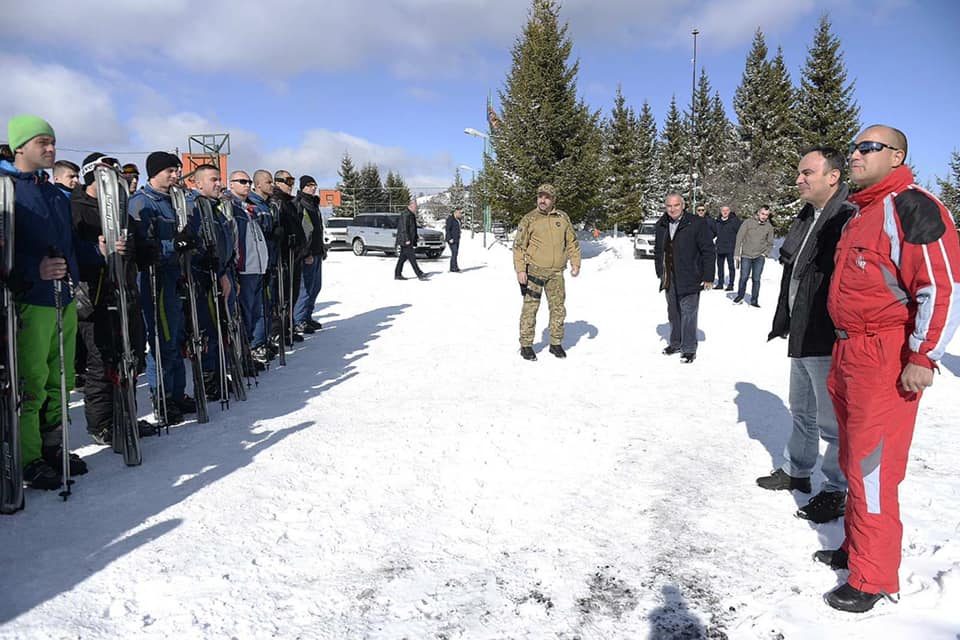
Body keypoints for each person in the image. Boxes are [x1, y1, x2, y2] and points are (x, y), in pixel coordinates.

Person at [816, 125, 960, 613]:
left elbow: (941, 286)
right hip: (849, 353)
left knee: (873, 467)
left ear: (896, 155)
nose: (855, 154)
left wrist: (924, 355)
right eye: (854, 147)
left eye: (868, 147)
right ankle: (857, 547)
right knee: (852, 458)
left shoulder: (912, 207)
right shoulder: (862, 211)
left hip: (885, 356)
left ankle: (872, 576)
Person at [757, 146, 856, 524]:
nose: (799, 179)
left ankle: (836, 489)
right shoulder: (808, 216)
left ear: (833, 176)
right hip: (801, 328)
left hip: (825, 333)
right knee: (801, 409)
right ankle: (797, 470)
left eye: (807, 173)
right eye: (799, 172)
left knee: (833, 422)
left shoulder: (846, 218)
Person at [2, 114, 86, 489]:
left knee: (60, 378)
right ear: (20, 147)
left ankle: (54, 446)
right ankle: (29, 456)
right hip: (30, 301)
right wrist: (31, 268)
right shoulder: (7, 190)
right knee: (32, 381)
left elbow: (70, 244)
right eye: (42, 142)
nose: (51, 148)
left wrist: (95, 258)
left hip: (63, 297)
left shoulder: (53, 192)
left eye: (52, 142)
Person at [71, 153, 151, 444]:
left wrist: (144, 250)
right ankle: (102, 424)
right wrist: (97, 250)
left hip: (125, 289)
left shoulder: (121, 207)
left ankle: (126, 415)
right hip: (94, 294)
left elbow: (136, 248)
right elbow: (71, 249)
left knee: (129, 355)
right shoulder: (76, 207)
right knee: (101, 361)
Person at [128, 151, 195, 425]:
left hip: (174, 276)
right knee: (162, 339)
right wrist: (173, 245)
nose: (176, 175)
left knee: (176, 337)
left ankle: (177, 393)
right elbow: (142, 245)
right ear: (155, 172)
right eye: (170, 170)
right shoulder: (142, 202)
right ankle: (162, 397)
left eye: (177, 170)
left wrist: (188, 242)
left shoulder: (174, 200)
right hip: (154, 280)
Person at [513, 184, 581, 361]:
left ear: (553, 199)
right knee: (530, 309)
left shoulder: (562, 218)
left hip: (556, 273)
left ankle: (556, 343)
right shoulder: (529, 219)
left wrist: (575, 263)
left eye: (547, 197)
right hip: (534, 272)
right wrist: (520, 270)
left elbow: (572, 242)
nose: (542, 200)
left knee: (558, 308)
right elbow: (519, 247)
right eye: (540, 196)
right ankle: (526, 345)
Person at [653, 193, 715, 363]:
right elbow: (658, 250)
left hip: (690, 275)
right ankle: (675, 343)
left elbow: (708, 250)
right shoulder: (661, 224)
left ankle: (688, 348)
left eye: (676, 205)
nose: (672, 209)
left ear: (683, 205)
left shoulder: (696, 223)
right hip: (669, 276)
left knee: (688, 312)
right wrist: (660, 271)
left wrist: (708, 276)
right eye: (669, 206)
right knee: (673, 312)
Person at [230, 171, 270, 364]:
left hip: (258, 267)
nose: (247, 185)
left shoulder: (249, 208)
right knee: (245, 315)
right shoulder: (230, 207)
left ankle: (251, 350)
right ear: (231, 184)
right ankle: (243, 355)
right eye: (242, 181)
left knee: (256, 313)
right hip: (244, 269)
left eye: (248, 182)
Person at [270, 170, 306, 344]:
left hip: (294, 256)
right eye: (287, 181)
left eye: (292, 181)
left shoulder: (289, 203)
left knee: (292, 294)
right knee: (281, 296)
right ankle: (278, 330)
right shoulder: (276, 202)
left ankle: (287, 327)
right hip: (283, 257)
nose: (291, 185)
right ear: (277, 182)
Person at [247, 170, 277, 361]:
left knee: (267, 305)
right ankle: (256, 344)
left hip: (269, 262)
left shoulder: (268, 205)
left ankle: (263, 339)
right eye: (268, 182)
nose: (271, 185)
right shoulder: (253, 205)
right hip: (256, 264)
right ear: (258, 185)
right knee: (257, 307)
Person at [293, 175, 326, 334]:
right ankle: (299, 320)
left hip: (317, 252)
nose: (313, 188)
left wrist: (322, 248)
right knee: (305, 288)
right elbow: (302, 231)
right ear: (303, 187)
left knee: (315, 287)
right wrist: (306, 252)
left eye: (314, 185)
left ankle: (307, 317)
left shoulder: (314, 204)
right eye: (309, 185)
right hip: (308, 254)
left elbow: (318, 229)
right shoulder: (300, 204)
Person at [733, 206, 774, 306]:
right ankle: (740, 296)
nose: (764, 216)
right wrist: (737, 253)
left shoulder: (769, 227)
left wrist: (765, 253)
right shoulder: (748, 222)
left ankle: (754, 300)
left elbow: (770, 243)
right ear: (758, 213)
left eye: (766, 215)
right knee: (744, 277)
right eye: (762, 214)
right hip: (746, 255)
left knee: (756, 279)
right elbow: (739, 237)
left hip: (759, 256)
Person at [394, 197, 426, 281]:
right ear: (410, 205)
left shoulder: (411, 214)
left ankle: (397, 274)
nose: (416, 208)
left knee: (402, 258)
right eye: (415, 206)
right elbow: (404, 228)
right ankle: (419, 274)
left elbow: (412, 228)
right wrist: (407, 239)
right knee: (412, 258)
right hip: (406, 240)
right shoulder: (405, 214)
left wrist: (416, 237)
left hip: (409, 240)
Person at [714, 206, 741, 290]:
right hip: (720, 247)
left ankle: (731, 284)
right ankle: (720, 283)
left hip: (730, 247)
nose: (725, 212)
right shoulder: (717, 221)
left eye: (726, 210)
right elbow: (713, 233)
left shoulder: (734, 221)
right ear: (720, 211)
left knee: (731, 267)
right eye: (723, 210)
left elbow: (740, 233)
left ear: (729, 211)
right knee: (720, 266)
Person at [445, 207, 462, 272]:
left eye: (460, 213)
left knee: (455, 253)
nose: (460, 214)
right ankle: (454, 268)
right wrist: (450, 238)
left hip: (457, 238)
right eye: (459, 213)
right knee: (454, 252)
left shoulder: (458, 219)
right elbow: (447, 229)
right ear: (455, 212)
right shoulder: (450, 219)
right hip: (451, 239)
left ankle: (453, 267)